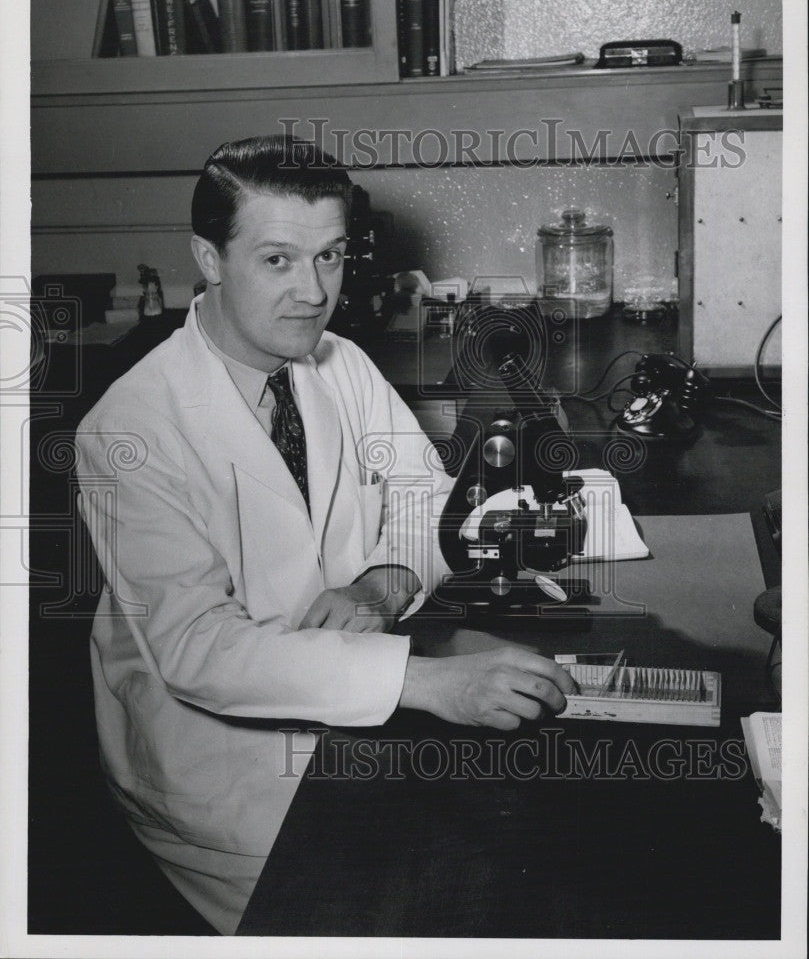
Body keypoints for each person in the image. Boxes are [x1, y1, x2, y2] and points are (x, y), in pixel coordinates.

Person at [76, 134, 576, 934]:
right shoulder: (129, 428)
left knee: (547, 850)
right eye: (277, 260)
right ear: (208, 258)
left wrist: (386, 580)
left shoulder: (333, 362)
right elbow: (199, 650)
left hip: (357, 706)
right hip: (220, 768)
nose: (313, 292)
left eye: (331, 257)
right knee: (399, 918)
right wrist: (429, 684)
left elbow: (421, 497)